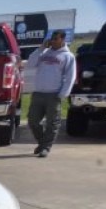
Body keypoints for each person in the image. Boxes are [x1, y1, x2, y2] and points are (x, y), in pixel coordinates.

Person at [25, 30, 77, 158]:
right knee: (33, 120)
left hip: (53, 94)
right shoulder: (44, 53)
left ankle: (45, 148)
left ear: (62, 40)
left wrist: (64, 93)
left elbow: (70, 76)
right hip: (38, 92)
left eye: (56, 39)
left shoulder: (68, 56)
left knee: (52, 123)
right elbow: (30, 64)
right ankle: (42, 142)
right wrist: (41, 49)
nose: (52, 41)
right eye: (52, 38)